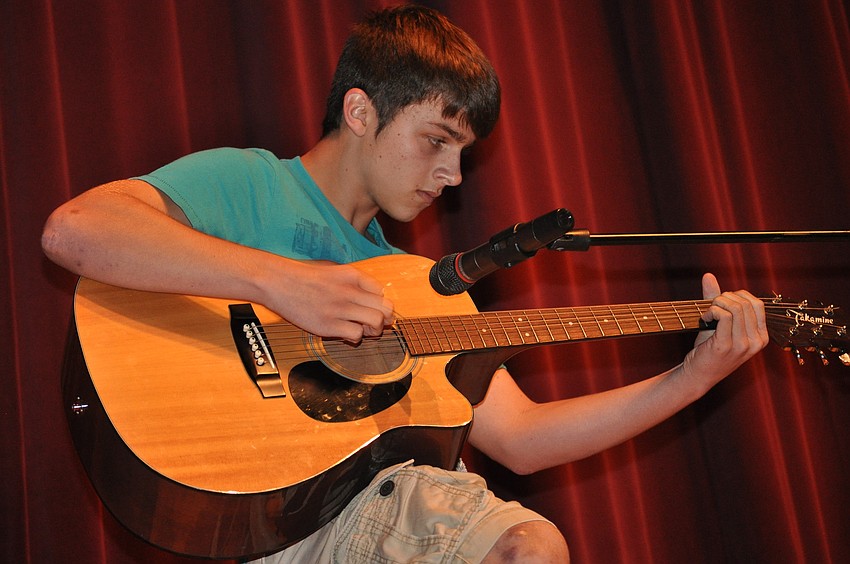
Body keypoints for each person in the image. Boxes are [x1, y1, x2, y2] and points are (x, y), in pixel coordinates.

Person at [41, 5, 768, 563]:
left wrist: (691, 379)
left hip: (347, 514)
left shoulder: (414, 286)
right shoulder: (255, 183)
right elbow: (75, 230)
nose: (452, 176)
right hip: (264, 515)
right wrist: (281, 282)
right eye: (437, 141)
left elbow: (522, 439)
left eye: (464, 153)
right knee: (528, 548)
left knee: (527, 543)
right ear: (360, 111)